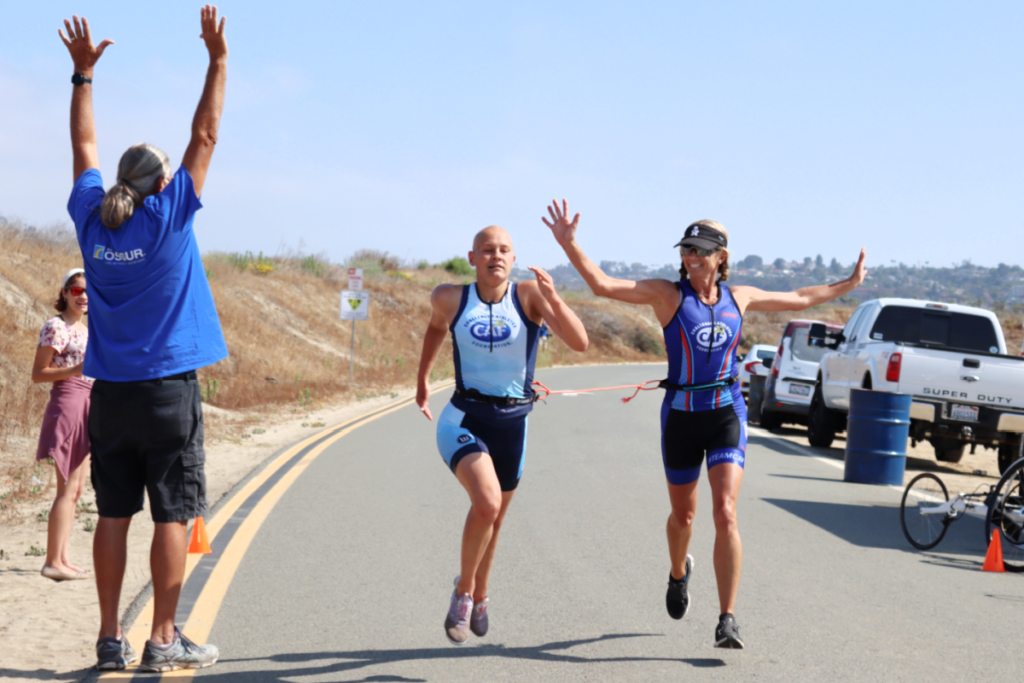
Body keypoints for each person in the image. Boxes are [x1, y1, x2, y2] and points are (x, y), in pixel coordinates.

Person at [543, 200, 866, 649]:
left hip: (725, 413)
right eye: (686, 250)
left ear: (721, 257)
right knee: (684, 516)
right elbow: (603, 286)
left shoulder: (741, 297)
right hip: (680, 417)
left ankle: (728, 619)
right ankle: (679, 573)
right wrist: (571, 244)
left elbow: (801, 298)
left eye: (700, 249)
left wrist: (848, 284)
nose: (691, 257)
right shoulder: (667, 294)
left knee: (726, 513)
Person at [60, 7, 228, 672]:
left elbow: (83, 153)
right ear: (163, 183)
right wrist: (217, 59)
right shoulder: (167, 217)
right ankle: (161, 638)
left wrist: (82, 77)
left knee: (113, 515)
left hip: (110, 398)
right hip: (166, 393)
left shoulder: (93, 226)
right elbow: (207, 133)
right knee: (172, 514)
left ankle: (109, 637)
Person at [416, 226, 589, 645]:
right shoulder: (449, 297)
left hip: (514, 423)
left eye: (504, 250)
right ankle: (462, 594)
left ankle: (481, 594)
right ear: (472, 258)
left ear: (513, 259)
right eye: (487, 250)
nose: (496, 256)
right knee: (487, 502)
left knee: (496, 519)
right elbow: (438, 327)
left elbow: (580, 343)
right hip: (464, 418)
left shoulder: (529, 295)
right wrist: (422, 381)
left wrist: (555, 297)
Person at [33, 268, 93, 582]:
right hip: (68, 402)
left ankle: (63, 557)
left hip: (89, 404)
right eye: (76, 291)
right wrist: (77, 370)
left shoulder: (88, 329)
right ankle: (52, 561)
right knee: (66, 488)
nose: (83, 296)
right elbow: (39, 373)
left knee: (78, 488)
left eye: (88, 291)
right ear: (64, 293)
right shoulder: (56, 326)